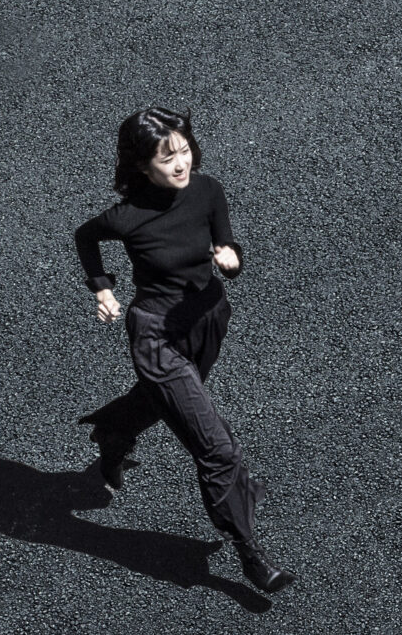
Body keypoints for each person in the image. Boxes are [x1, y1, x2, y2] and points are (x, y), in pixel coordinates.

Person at [74, 107, 293, 596]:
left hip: (208, 318)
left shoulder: (208, 190)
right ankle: (250, 552)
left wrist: (232, 260)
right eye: (166, 156)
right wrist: (102, 289)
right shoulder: (127, 217)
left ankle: (115, 429)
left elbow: (227, 246)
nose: (180, 163)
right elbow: (85, 238)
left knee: (168, 401)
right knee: (217, 448)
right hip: (157, 337)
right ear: (142, 166)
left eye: (184, 150)